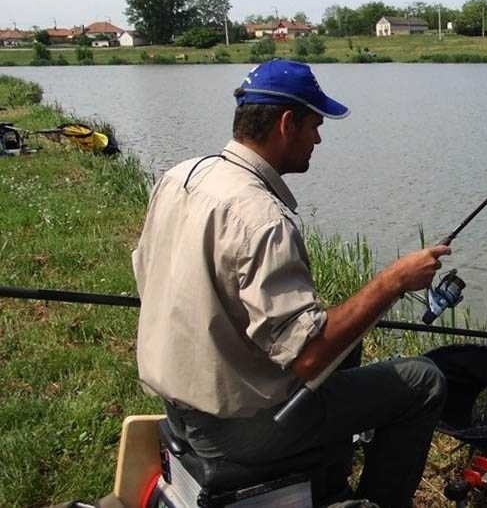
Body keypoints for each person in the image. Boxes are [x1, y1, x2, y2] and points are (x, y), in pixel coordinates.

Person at [132, 59, 450, 507]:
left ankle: (328, 481)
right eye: (315, 126)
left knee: (349, 343)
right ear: (287, 123)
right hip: (237, 430)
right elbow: (308, 357)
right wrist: (394, 281)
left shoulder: (182, 176)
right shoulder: (262, 218)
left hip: (181, 406)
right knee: (424, 380)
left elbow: (148, 274)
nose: (318, 139)